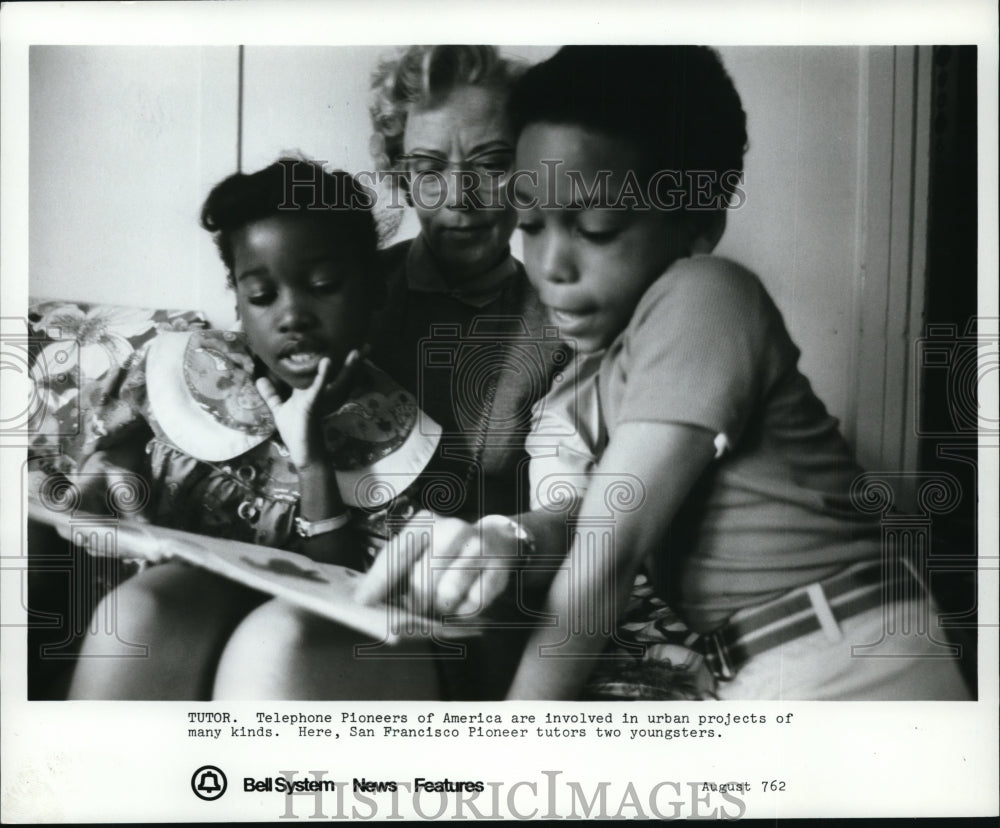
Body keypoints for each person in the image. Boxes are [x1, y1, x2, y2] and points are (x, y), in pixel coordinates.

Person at [500, 46, 971, 700]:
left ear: (699, 225)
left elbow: (606, 554)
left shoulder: (703, 292)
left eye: (595, 226)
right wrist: (508, 537)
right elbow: (606, 510)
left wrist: (512, 740)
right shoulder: (617, 360)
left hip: (849, 665)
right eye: (528, 222)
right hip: (788, 660)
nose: (551, 262)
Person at [212, 46, 577, 701]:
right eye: (430, 168)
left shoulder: (568, 324)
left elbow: (569, 510)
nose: (460, 198)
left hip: (450, 613)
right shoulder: (327, 287)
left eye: (492, 165)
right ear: (401, 176)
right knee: (152, 610)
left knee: (280, 641)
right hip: (298, 562)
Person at [67, 158, 440, 699]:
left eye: (324, 286)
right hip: (179, 603)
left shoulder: (400, 433)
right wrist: (109, 475)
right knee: (136, 614)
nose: (292, 315)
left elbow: (339, 589)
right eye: (263, 296)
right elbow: (105, 452)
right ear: (238, 303)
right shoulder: (184, 366)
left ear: (374, 290)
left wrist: (311, 457)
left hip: (297, 639)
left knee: (272, 649)